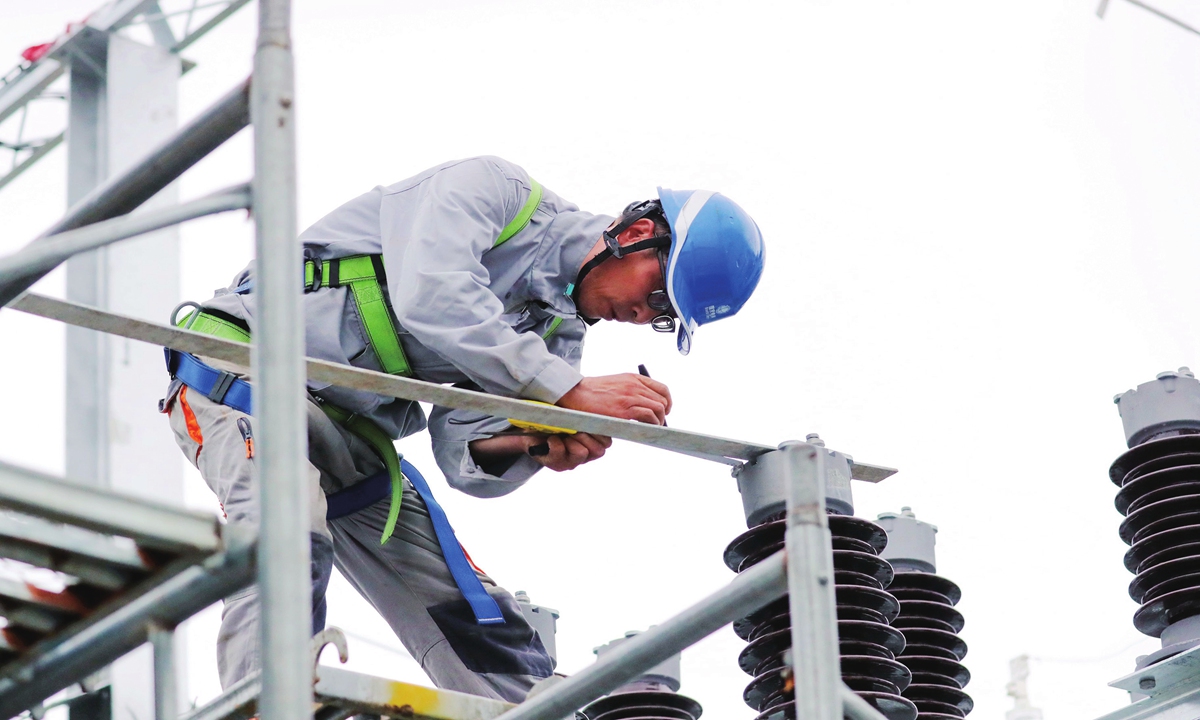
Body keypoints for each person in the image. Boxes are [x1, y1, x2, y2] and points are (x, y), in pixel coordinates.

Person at [160, 156, 765, 702]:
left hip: (347, 436)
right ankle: (265, 707)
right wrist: (567, 393)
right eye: (656, 292)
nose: (642, 315)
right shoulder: (493, 192)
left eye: (663, 316)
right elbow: (434, 294)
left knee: (480, 619)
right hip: (242, 374)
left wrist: (533, 442)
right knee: (290, 533)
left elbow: (462, 453)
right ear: (636, 235)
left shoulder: (557, 337)